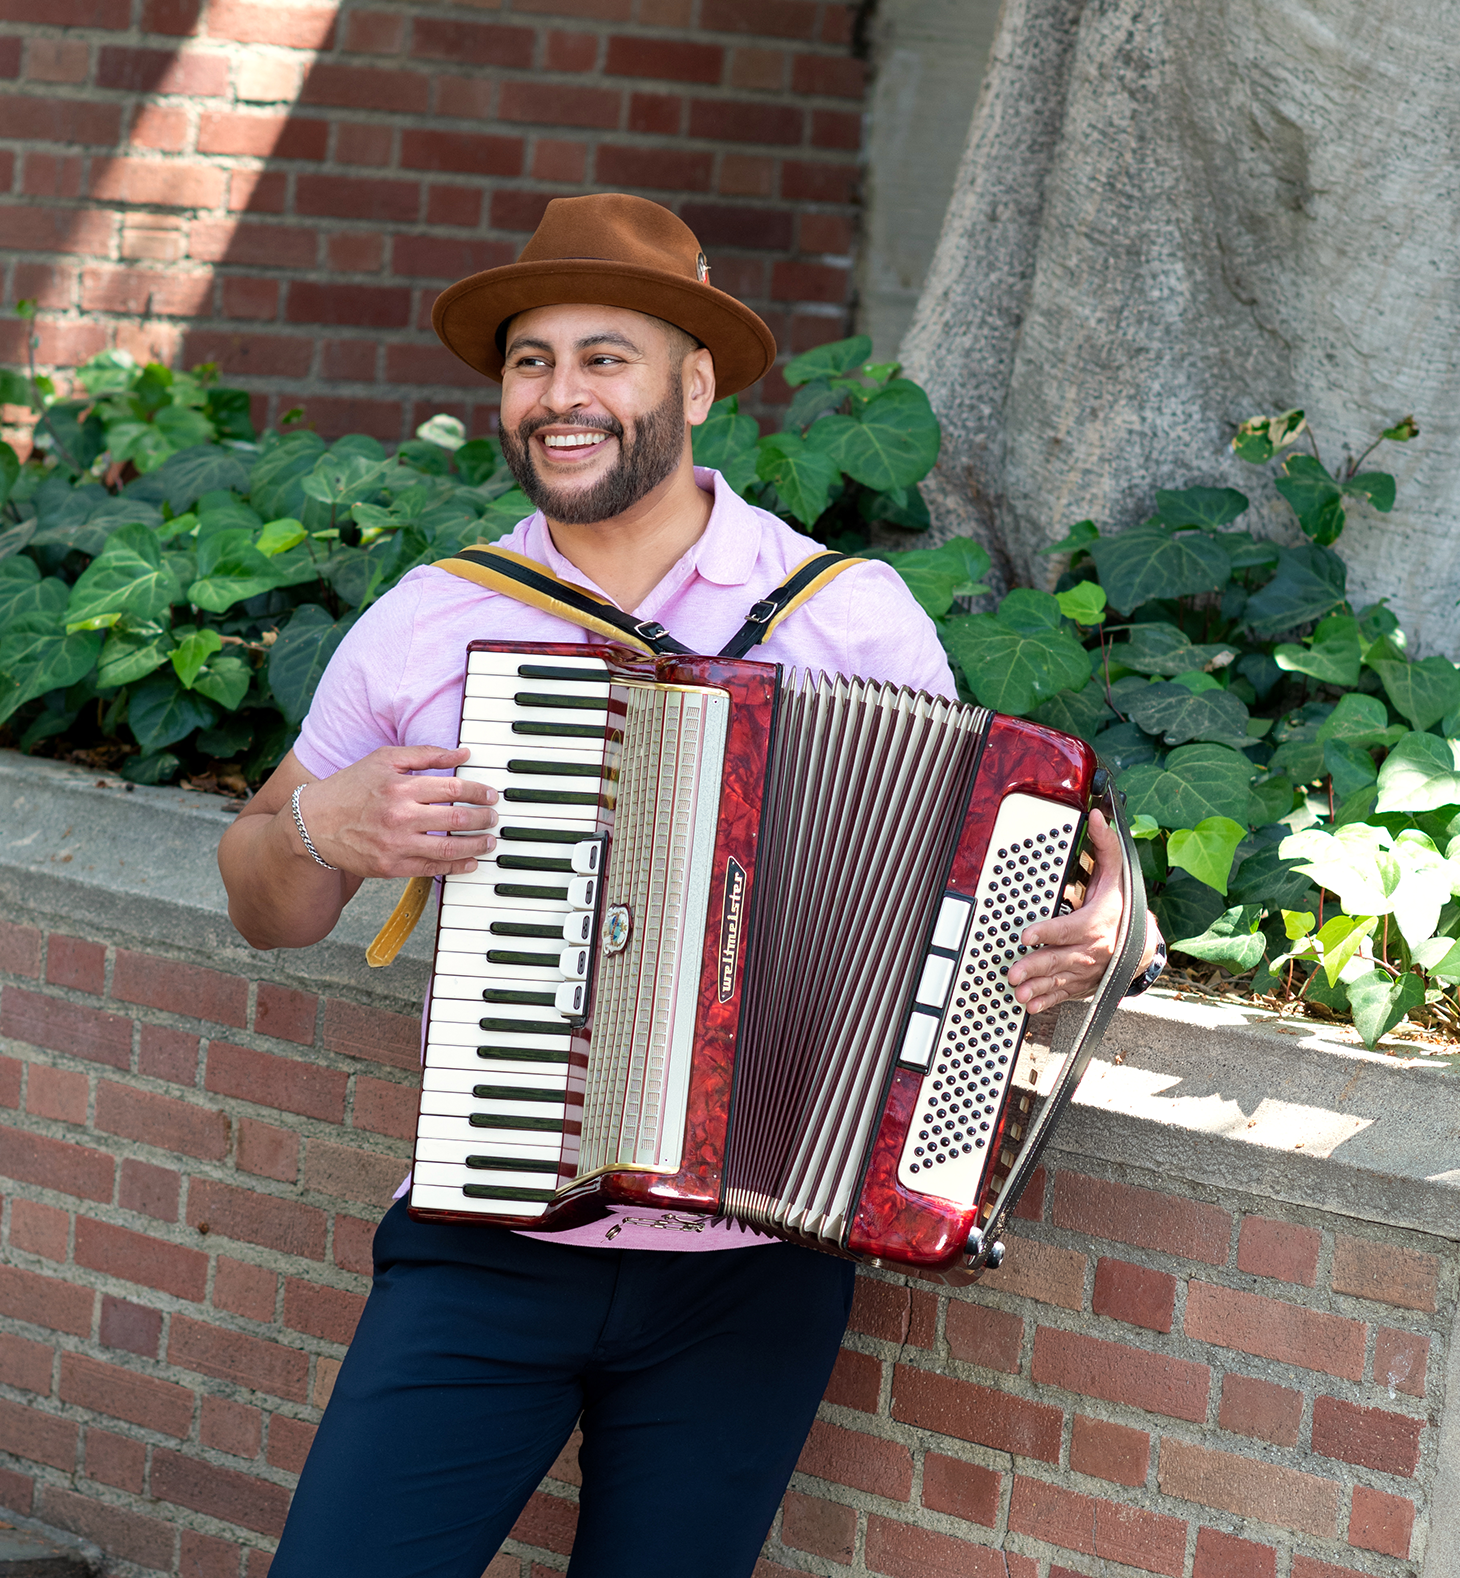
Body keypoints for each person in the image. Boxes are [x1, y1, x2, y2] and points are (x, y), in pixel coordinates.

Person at [218, 193, 1163, 1578]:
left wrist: (1105, 921)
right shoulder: (434, 613)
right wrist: (319, 822)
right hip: (490, 1242)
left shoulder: (844, 613)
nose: (561, 395)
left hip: (755, 1270)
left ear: (696, 383)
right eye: (532, 362)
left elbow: (997, 871)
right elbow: (263, 904)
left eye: (607, 356)